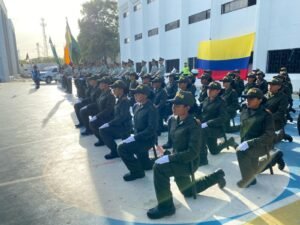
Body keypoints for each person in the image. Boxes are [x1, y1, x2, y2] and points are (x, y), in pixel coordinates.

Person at [147, 91, 226, 219]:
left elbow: (192, 153)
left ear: (187, 107)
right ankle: (217, 175)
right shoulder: (173, 120)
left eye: (178, 105)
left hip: (188, 162)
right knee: (188, 191)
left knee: (159, 169)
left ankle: (166, 207)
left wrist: (169, 158)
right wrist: (163, 150)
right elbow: (170, 142)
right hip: (178, 158)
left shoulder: (194, 125)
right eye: (173, 104)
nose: (173, 107)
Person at [236, 88, 284, 188]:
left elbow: (268, 136)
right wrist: (244, 141)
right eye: (247, 98)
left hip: (262, 145)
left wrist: (249, 143)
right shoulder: (245, 111)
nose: (248, 100)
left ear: (260, 100)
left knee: (240, 152)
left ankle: (249, 180)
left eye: (251, 98)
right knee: (254, 170)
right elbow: (243, 129)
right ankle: (275, 158)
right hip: (249, 144)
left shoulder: (266, 115)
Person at [118, 84, 158, 181]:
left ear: (145, 95)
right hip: (138, 136)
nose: (135, 96)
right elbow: (136, 124)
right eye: (134, 94)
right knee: (145, 164)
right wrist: (132, 134)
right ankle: (151, 162)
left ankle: (137, 172)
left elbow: (151, 129)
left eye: (138, 94)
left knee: (121, 148)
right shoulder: (136, 106)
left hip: (147, 139)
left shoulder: (151, 109)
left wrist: (135, 138)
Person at [197, 82, 236, 166]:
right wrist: (197, 119)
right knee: (214, 151)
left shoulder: (221, 102)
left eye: (212, 89)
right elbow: (201, 113)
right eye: (208, 88)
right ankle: (228, 142)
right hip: (206, 127)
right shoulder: (206, 100)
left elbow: (223, 118)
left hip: (217, 128)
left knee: (202, 132)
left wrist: (207, 123)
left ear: (218, 91)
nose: (209, 91)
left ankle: (203, 159)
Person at [99, 80, 132, 159]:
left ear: (121, 90)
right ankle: (115, 150)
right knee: (102, 128)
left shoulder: (124, 101)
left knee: (103, 130)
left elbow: (121, 117)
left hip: (124, 127)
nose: (113, 90)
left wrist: (109, 124)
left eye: (115, 88)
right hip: (120, 125)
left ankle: (115, 152)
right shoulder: (119, 99)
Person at [87, 77, 115, 146]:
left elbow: (108, 110)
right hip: (102, 114)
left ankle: (102, 140)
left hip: (109, 117)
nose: (99, 85)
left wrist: (97, 116)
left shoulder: (110, 94)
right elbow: (98, 103)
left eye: (101, 83)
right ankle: (101, 139)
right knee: (90, 119)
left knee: (93, 123)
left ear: (106, 85)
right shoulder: (103, 92)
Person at [264, 78, 292, 142]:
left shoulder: (283, 97)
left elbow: (280, 113)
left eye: (273, 85)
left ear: (279, 86)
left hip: (276, 121)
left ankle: (281, 135)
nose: (270, 86)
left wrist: (267, 118)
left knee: (268, 140)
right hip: (264, 119)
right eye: (269, 84)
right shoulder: (265, 95)